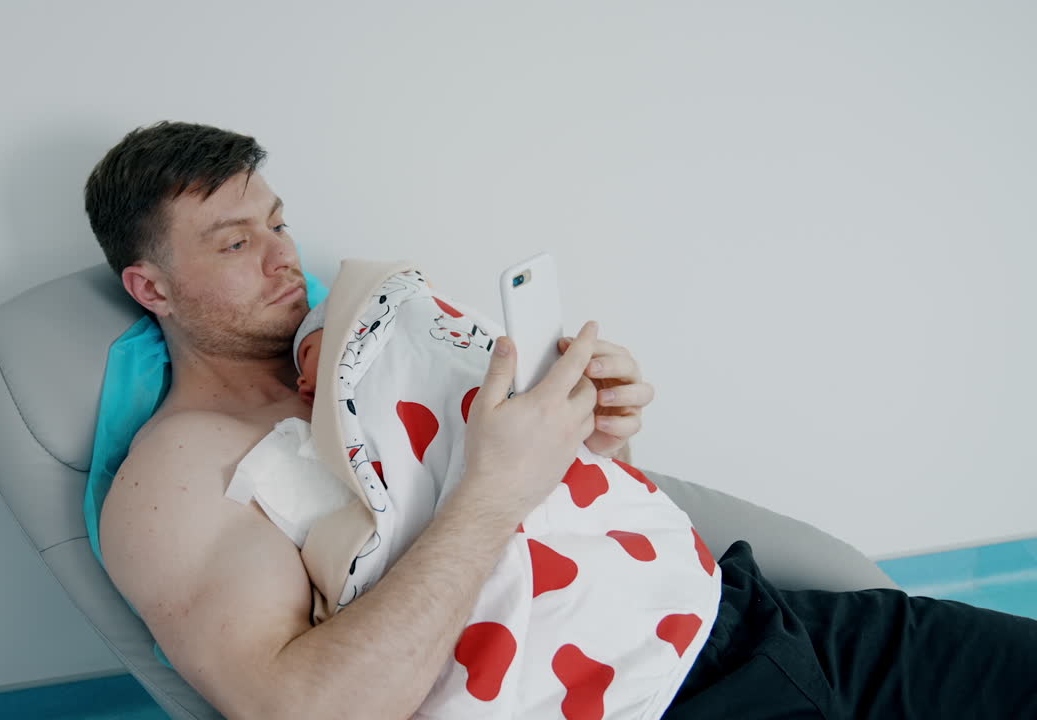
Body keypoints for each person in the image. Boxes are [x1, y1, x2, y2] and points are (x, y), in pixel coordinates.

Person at [85, 121, 1037, 719]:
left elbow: (561, 515)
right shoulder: (180, 476)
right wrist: (499, 487)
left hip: (744, 617)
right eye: (236, 241)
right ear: (150, 286)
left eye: (279, 223)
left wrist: (598, 441)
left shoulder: (368, 342)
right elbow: (300, 707)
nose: (283, 257)